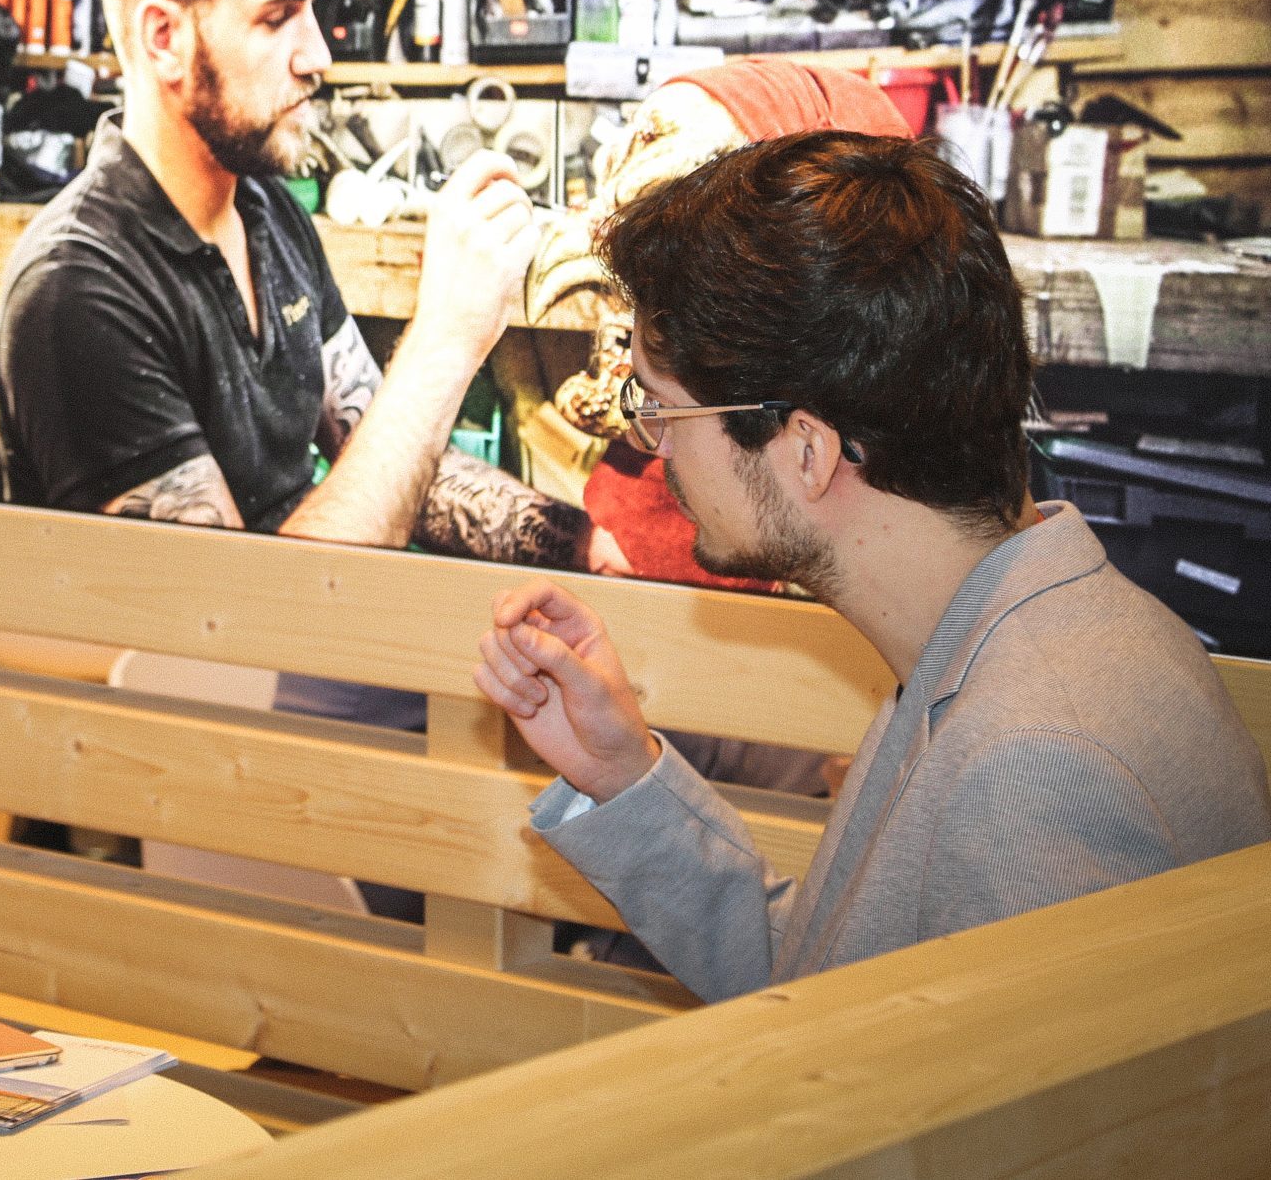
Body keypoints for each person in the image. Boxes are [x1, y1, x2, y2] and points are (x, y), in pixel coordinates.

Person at [473, 131, 1271, 1002]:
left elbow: (973, 1134)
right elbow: (836, 994)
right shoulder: (1003, 637)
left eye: (661, 408)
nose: (649, 444)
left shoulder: (1038, 762)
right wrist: (624, 773)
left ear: (807, 449)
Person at [0, 0, 624, 570]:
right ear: (164, 38)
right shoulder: (76, 292)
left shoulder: (265, 208)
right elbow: (232, 617)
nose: (319, 55)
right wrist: (445, 337)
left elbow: (395, 456)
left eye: (313, 11)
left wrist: (591, 547)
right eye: (277, 16)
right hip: (205, 668)